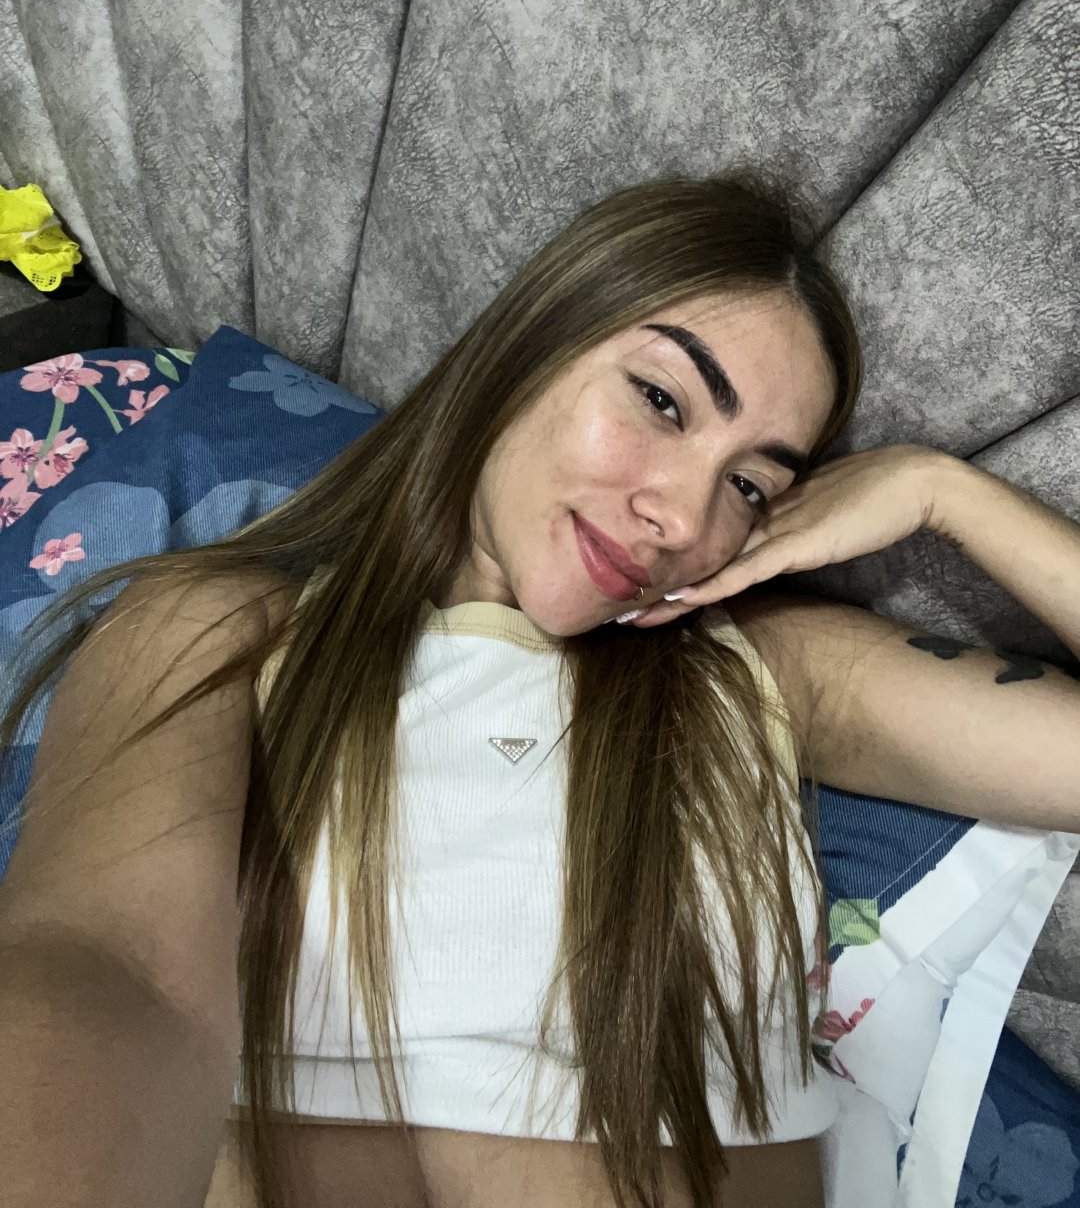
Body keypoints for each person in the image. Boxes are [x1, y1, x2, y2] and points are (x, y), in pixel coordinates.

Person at [2, 171, 1078, 1208]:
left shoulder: (759, 672)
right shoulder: (217, 626)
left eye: (751, 485)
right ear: (526, 346)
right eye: (661, 399)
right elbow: (115, 968)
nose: (684, 516)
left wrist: (943, 493)